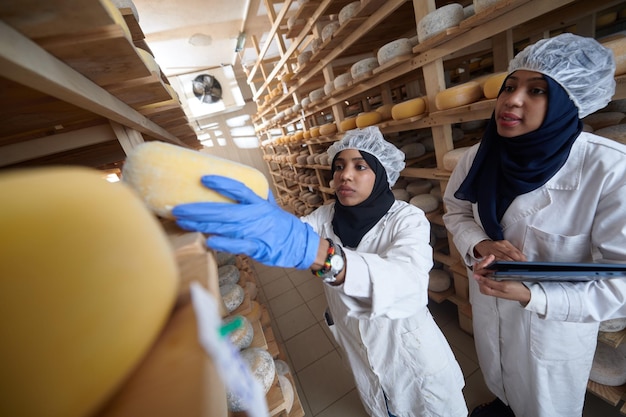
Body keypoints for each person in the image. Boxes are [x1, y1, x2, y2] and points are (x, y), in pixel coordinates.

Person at [173, 126, 467, 417]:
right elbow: (293, 235)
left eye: (360, 166)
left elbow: (408, 283)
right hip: (360, 352)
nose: (345, 175)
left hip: (411, 356)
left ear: (381, 174)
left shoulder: (408, 219)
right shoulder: (326, 217)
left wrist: (324, 256)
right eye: (338, 166)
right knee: (383, 407)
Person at [442, 33, 626, 417]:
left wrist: (532, 296)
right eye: (509, 86)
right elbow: (455, 211)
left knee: (546, 407)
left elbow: (617, 282)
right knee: (501, 379)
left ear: (568, 102)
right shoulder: (479, 156)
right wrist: (479, 244)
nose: (512, 98)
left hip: (553, 326)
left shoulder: (609, 170)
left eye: (537, 90)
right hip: (490, 306)